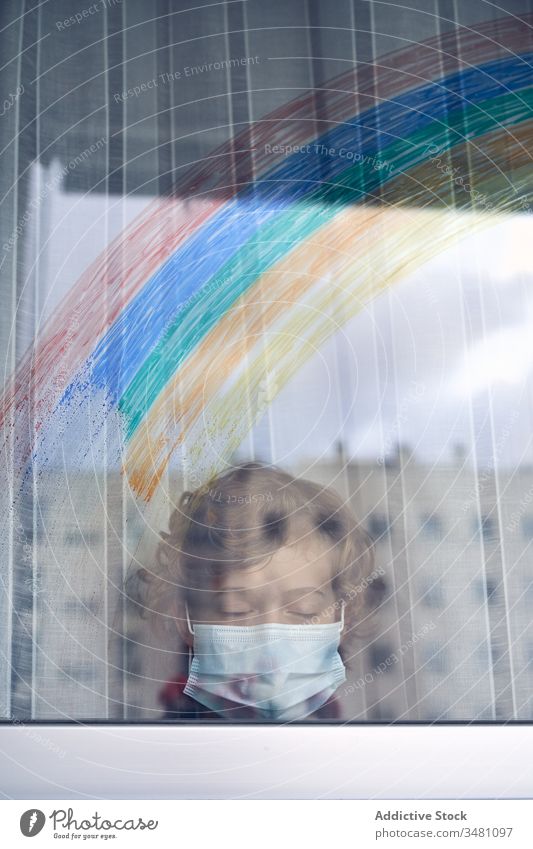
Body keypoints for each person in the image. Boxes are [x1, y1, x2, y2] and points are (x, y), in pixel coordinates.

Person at [140, 462, 377, 721]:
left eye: (303, 610)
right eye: (236, 609)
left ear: (343, 618)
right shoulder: (161, 751)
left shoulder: (356, 750)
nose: (270, 636)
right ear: (185, 622)